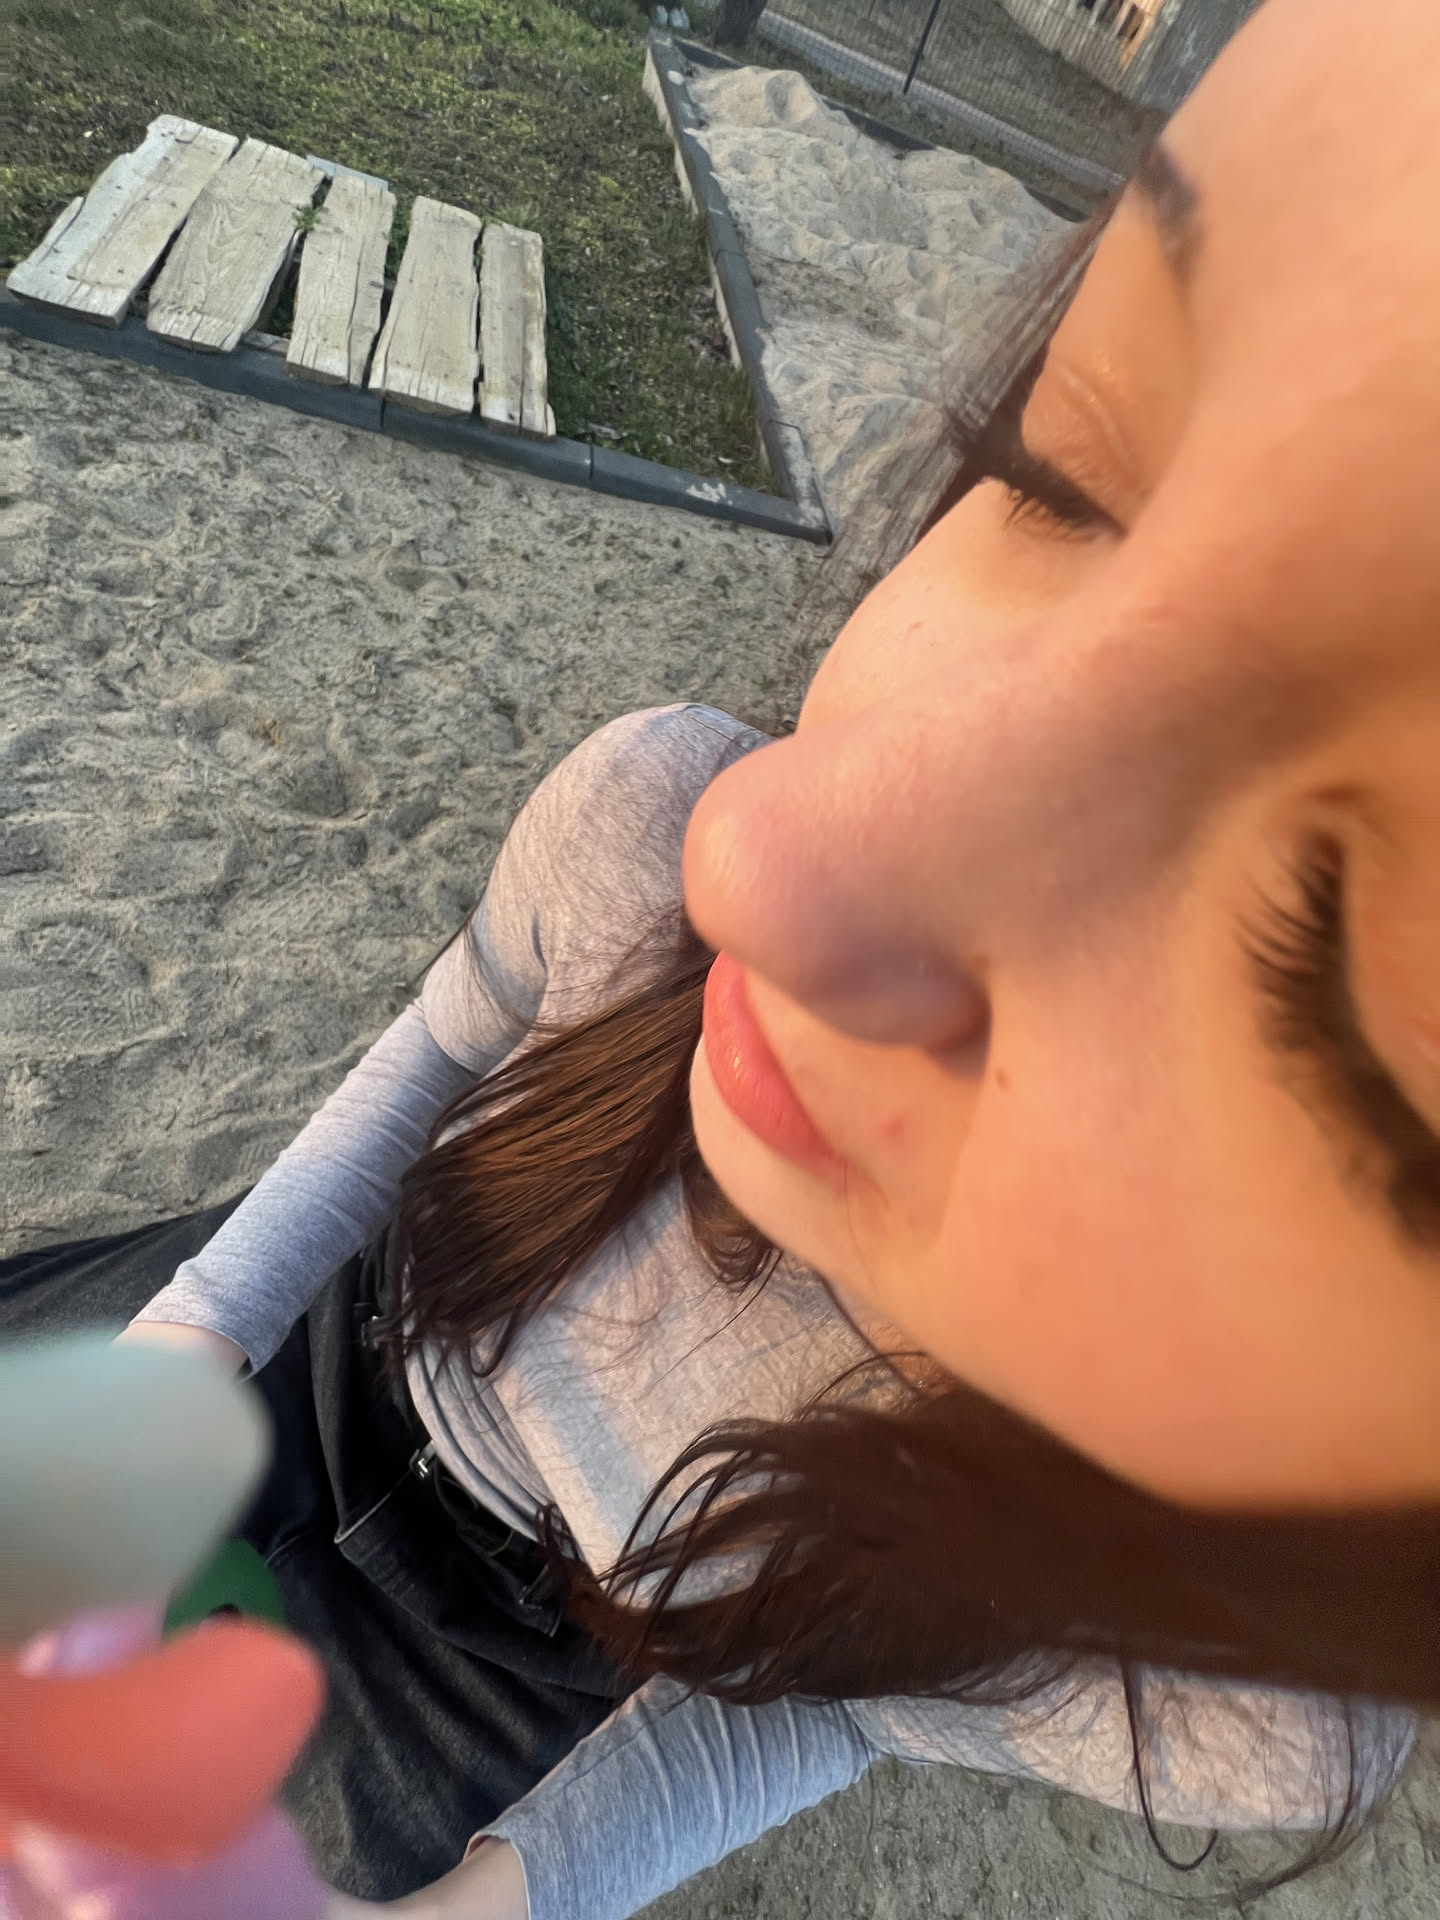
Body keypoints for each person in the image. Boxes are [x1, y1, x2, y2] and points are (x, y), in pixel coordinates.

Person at [3, 0, 1438, 1911]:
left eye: (1322, 975)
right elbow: (430, 1065)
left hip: (530, 1680)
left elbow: (852, 1690)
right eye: (1059, 470)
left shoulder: (1225, 1697)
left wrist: (498, 1897)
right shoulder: (652, 821)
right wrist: (186, 1348)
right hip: (330, 1330)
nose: (760, 850)